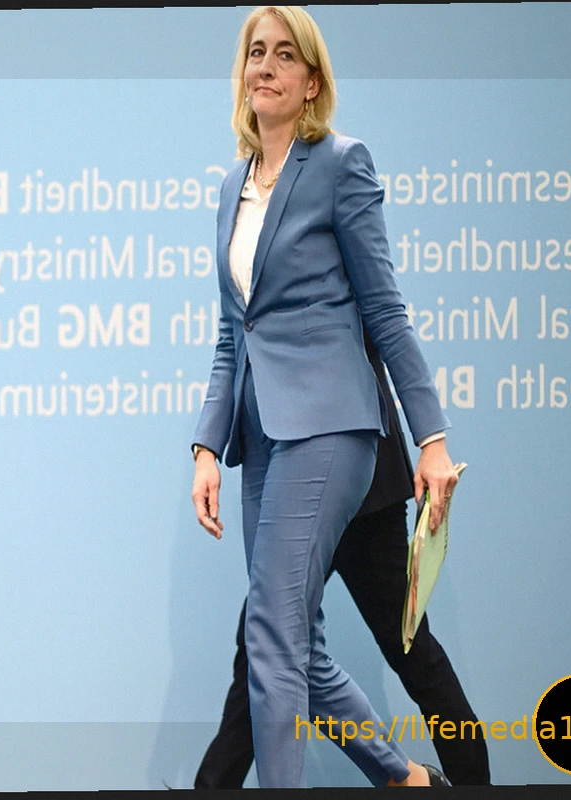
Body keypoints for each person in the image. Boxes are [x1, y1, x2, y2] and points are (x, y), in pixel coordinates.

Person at [189, 5, 461, 788]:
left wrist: (432, 438)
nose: (265, 67)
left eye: (285, 55)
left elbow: (386, 311)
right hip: (261, 438)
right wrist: (206, 446)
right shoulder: (232, 186)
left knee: (275, 641)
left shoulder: (341, 164)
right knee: (288, 643)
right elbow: (233, 335)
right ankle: (404, 779)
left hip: (332, 428)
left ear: (311, 82)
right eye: (256, 53)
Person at [193, 331, 491, 788]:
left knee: (410, 651)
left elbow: (387, 324)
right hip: (290, 478)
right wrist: (207, 447)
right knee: (264, 647)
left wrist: (432, 442)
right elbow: (238, 345)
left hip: (361, 481)